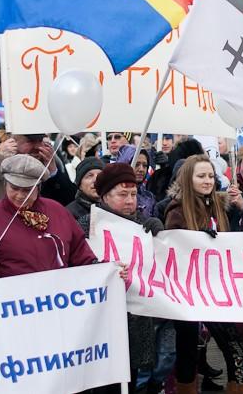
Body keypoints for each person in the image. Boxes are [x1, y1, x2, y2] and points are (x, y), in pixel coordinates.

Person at [164, 155, 243, 394]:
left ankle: (239, 388)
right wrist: (194, 239)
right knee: (188, 348)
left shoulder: (220, 206)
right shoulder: (177, 210)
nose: (208, 181)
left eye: (211, 176)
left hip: (217, 289)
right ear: (187, 179)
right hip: (188, 291)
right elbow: (173, 252)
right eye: (201, 176)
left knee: (234, 346)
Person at [94, 162, 159, 393]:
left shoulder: (144, 226)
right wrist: (102, 270)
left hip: (134, 321)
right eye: (123, 194)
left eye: (133, 194)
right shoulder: (88, 227)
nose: (131, 200)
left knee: (128, 380)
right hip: (100, 323)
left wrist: (159, 233)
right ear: (104, 197)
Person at [12, 133, 76, 206]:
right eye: (30, 141)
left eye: (40, 141)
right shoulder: (4, 166)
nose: (37, 146)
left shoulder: (54, 163)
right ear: (14, 143)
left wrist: (53, 172)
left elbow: (71, 199)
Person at [65, 156, 104, 235]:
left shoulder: (114, 208)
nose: (96, 180)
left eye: (100, 175)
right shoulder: (69, 213)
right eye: (90, 176)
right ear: (80, 185)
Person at [117, 145, 156, 219]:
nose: (141, 169)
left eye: (144, 165)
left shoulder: (149, 197)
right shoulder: (113, 195)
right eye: (136, 164)